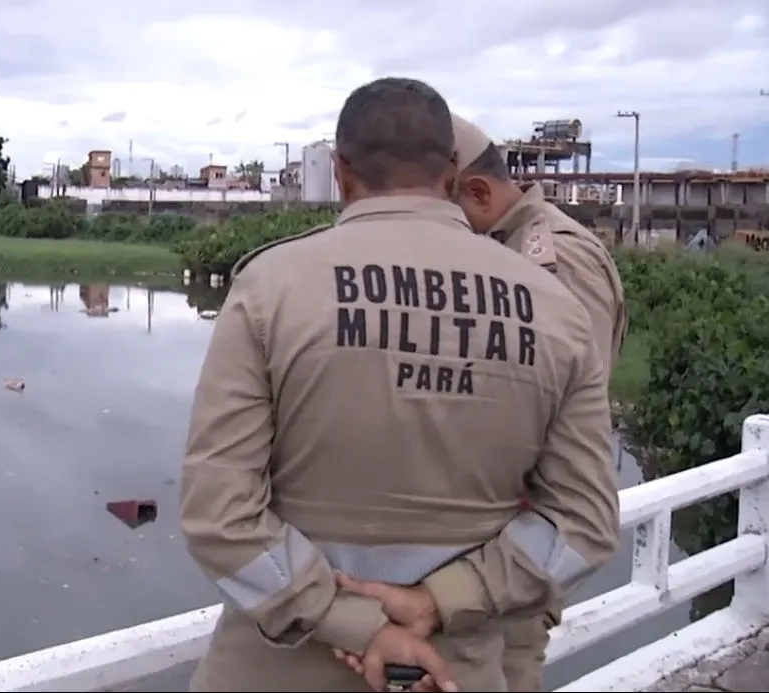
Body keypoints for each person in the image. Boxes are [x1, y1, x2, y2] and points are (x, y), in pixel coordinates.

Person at [178, 76, 620, 692]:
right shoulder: (552, 307)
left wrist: (355, 622)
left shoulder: (271, 286)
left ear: (340, 170)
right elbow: (584, 524)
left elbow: (218, 515)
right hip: (456, 669)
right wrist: (440, 600)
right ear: (450, 171)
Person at [335, 115, 630, 691]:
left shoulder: (554, 262)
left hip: (508, 564)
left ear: (476, 192)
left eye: (438, 208)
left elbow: (564, 421)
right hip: (461, 561)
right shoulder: (492, 253)